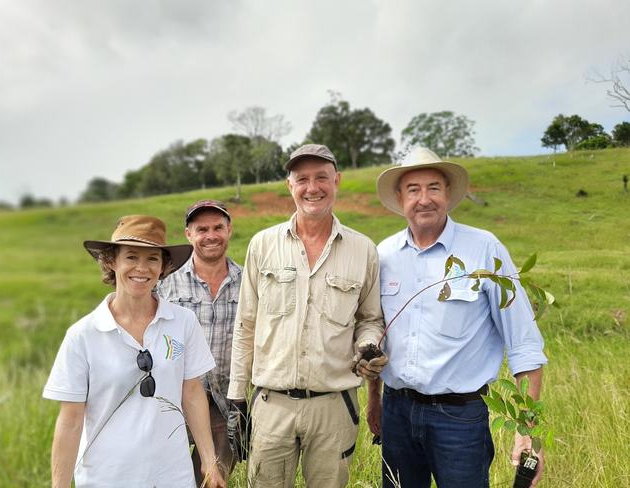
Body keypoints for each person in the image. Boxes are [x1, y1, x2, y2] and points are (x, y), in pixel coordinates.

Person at [367, 147, 548, 488]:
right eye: (413, 189)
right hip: (397, 413)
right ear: (399, 197)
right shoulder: (383, 254)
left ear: (448, 194)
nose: (424, 199)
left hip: (460, 418)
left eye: (434, 187)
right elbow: (377, 335)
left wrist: (527, 432)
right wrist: (374, 399)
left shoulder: (484, 249)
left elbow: (524, 344)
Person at [227, 144, 388, 487]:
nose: (312, 188)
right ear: (290, 185)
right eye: (302, 179)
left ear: (337, 181)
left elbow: (371, 319)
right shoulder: (262, 244)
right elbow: (246, 325)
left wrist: (369, 344)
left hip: (333, 405)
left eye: (321, 178)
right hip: (272, 405)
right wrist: (236, 397)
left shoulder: (364, 250)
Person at [43, 215, 226, 488]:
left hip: (172, 476)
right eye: (131, 257)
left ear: (163, 267)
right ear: (111, 261)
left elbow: (192, 393)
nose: (142, 268)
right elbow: (70, 421)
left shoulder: (183, 322)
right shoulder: (83, 335)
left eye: (152, 258)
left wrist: (209, 462)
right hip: (106, 478)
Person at [157, 200, 242, 484]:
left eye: (218, 227)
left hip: (224, 405)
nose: (211, 235)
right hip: (173, 402)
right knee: (170, 478)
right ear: (188, 234)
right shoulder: (166, 283)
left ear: (229, 230)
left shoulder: (247, 282)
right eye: (201, 229)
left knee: (213, 479)